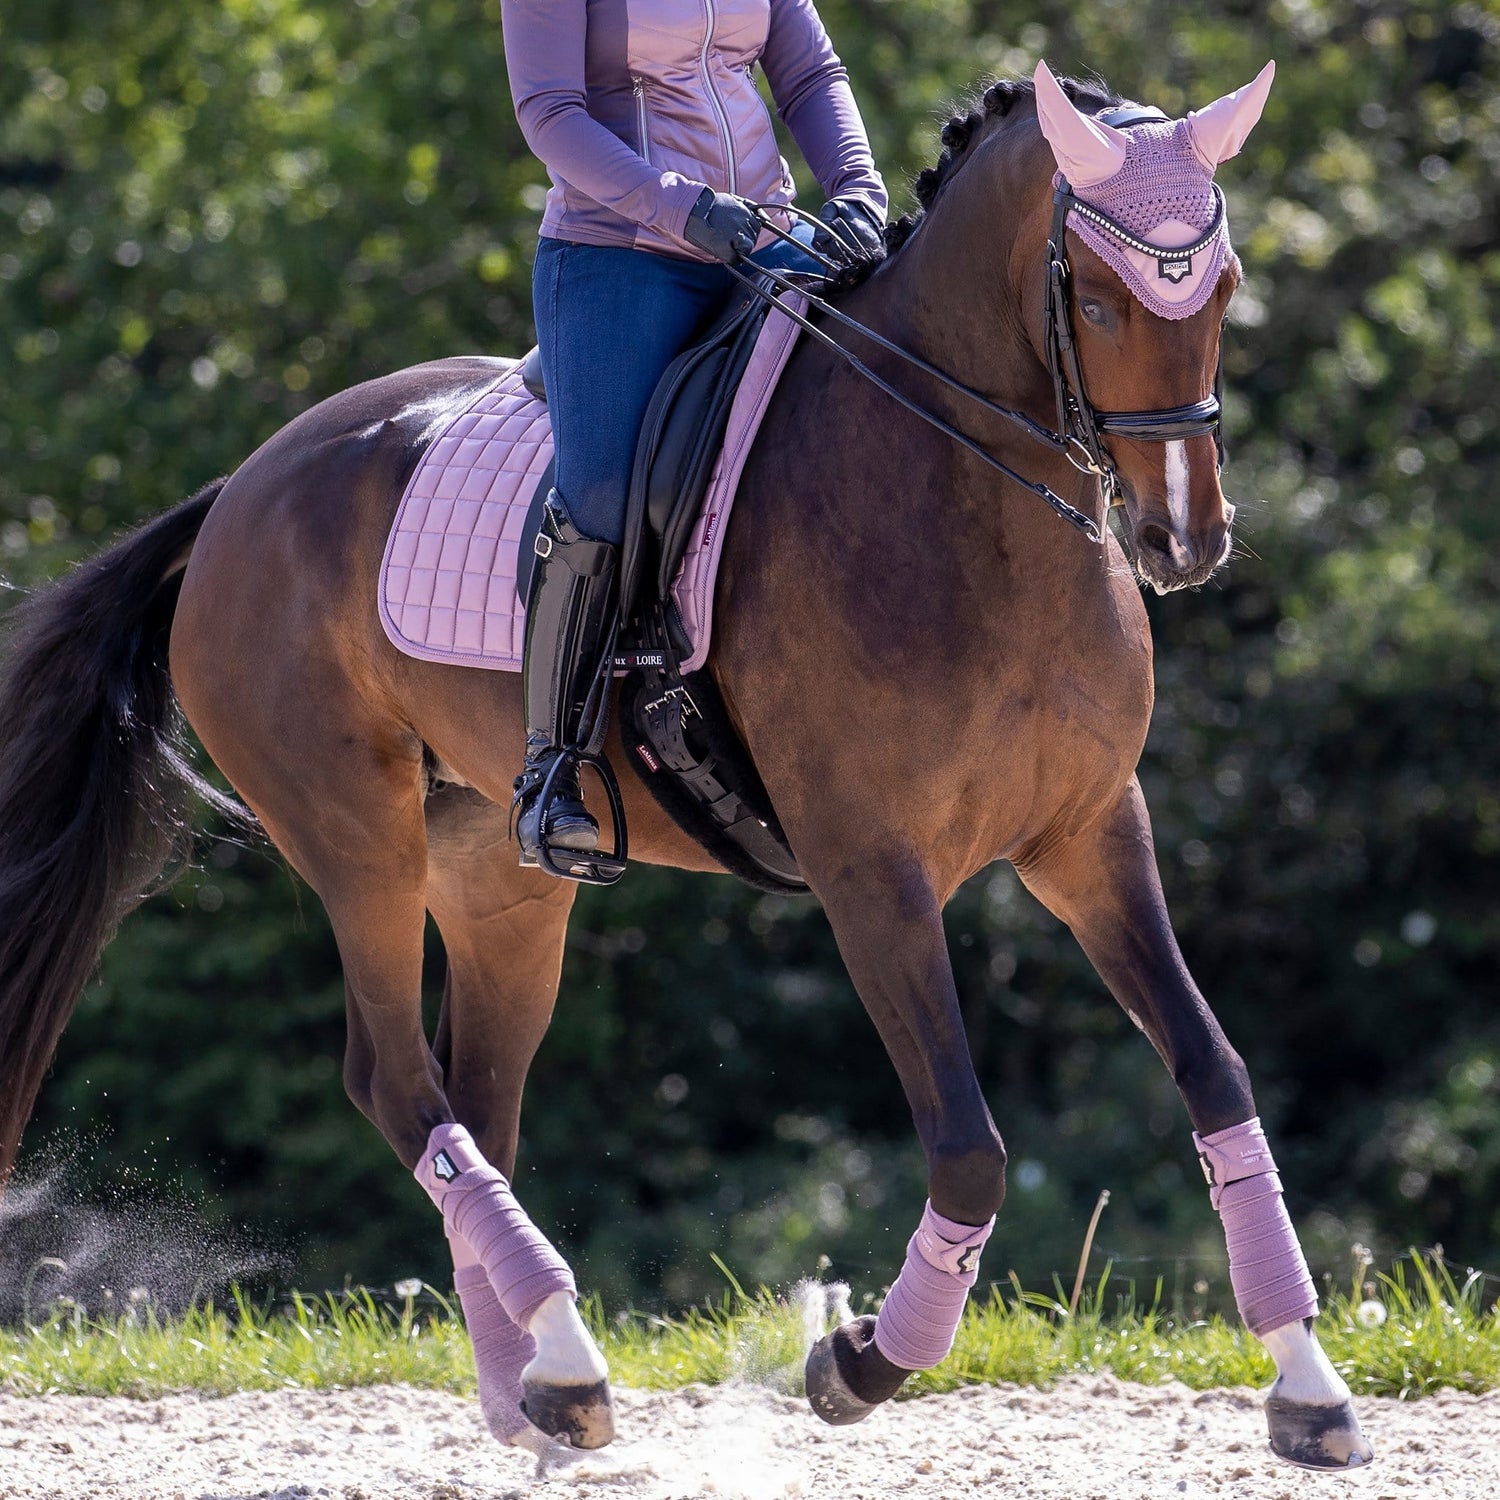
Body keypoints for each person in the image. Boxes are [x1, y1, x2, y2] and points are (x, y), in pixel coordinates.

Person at [502, 0, 888, 869]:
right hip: (620, 253)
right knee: (601, 488)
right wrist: (679, 206)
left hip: (768, 239)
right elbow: (549, 112)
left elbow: (811, 77)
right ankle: (551, 764)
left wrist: (859, 187)